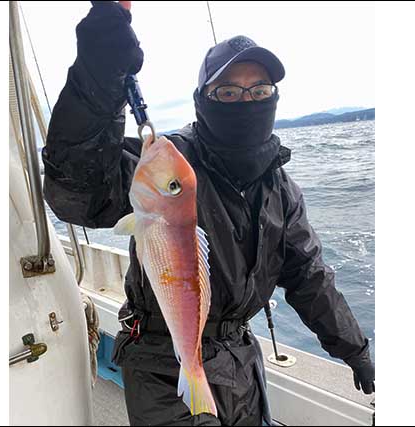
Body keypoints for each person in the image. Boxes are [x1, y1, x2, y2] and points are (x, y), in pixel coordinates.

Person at [42, 1, 374, 425]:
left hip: (242, 363)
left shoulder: (280, 189)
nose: (246, 100)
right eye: (229, 92)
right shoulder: (173, 166)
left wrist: (356, 350)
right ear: (203, 101)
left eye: (260, 90)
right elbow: (78, 188)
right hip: (161, 363)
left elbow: (308, 278)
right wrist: (99, 77)